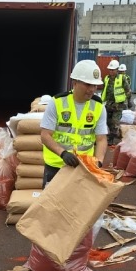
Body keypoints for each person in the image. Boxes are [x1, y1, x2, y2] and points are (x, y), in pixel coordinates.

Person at [40, 60, 108, 188]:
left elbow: (101, 139)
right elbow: (45, 135)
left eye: (95, 85)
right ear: (75, 82)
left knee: (78, 206)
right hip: (56, 165)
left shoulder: (98, 107)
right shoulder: (57, 102)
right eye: (88, 84)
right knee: (51, 206)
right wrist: (63, 153)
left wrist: (98, 162)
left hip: (83, 168)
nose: (92, 89)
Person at [101, 59, 131, 144]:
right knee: (107, 121)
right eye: (110, 69)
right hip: (109, 104)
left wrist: (128, 101)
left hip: (118, 105)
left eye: (112, 70)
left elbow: (127, 90)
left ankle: (111, 139)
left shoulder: (122, 78)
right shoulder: (107, 78)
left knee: (115, 122)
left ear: (117, 69)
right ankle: (113, 134)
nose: (111, 71)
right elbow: (104, 90)